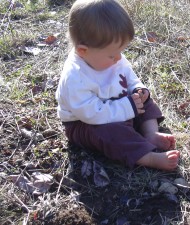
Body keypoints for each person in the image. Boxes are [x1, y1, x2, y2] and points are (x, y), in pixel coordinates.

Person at [55, 0, 180, 171]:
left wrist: (137, 89)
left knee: (145, 102)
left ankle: (150, 134)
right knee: (110, 133)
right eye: (113, 55)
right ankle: (147, 157)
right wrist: (127, 107)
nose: (119, 58)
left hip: (119, 105)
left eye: (121, 52)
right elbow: (92, 113)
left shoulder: (108, 55)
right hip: (86, 123)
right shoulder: (75, 77)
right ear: (83, 51)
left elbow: (128, 75)